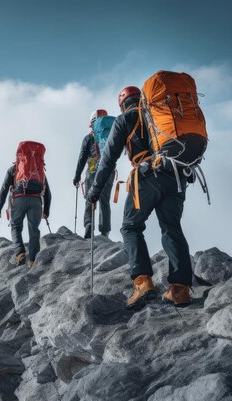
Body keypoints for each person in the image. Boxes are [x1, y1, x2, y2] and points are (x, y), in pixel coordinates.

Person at [87, 86, 193, 309]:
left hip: (146, 176)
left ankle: (143, 282)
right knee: (171, 228)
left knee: (131, 227)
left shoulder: (126, 119)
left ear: (122, 105)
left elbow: (108, 159)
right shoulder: (161, 115)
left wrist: (95, 190)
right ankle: (180, 290)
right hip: (176, 176)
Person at [0, 141, 52, 268]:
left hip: (19, 199)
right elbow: (48, 193)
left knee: (16, 226)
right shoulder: (39, 171)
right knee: (34, 230)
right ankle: (32, 260)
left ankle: (20, 253)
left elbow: (4, 189)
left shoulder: (14, 170)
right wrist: (46, 211)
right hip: (36, 201)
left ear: (19, 155)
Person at [73, 109, 115, 238]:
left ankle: (89, 225)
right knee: (104, 200)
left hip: (92, 169)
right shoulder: (111, 134)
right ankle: (105, 231)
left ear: (92, 123)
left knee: (89, 198)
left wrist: (77, 175)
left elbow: (82, 157)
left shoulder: (88, 137)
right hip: (108, 169)